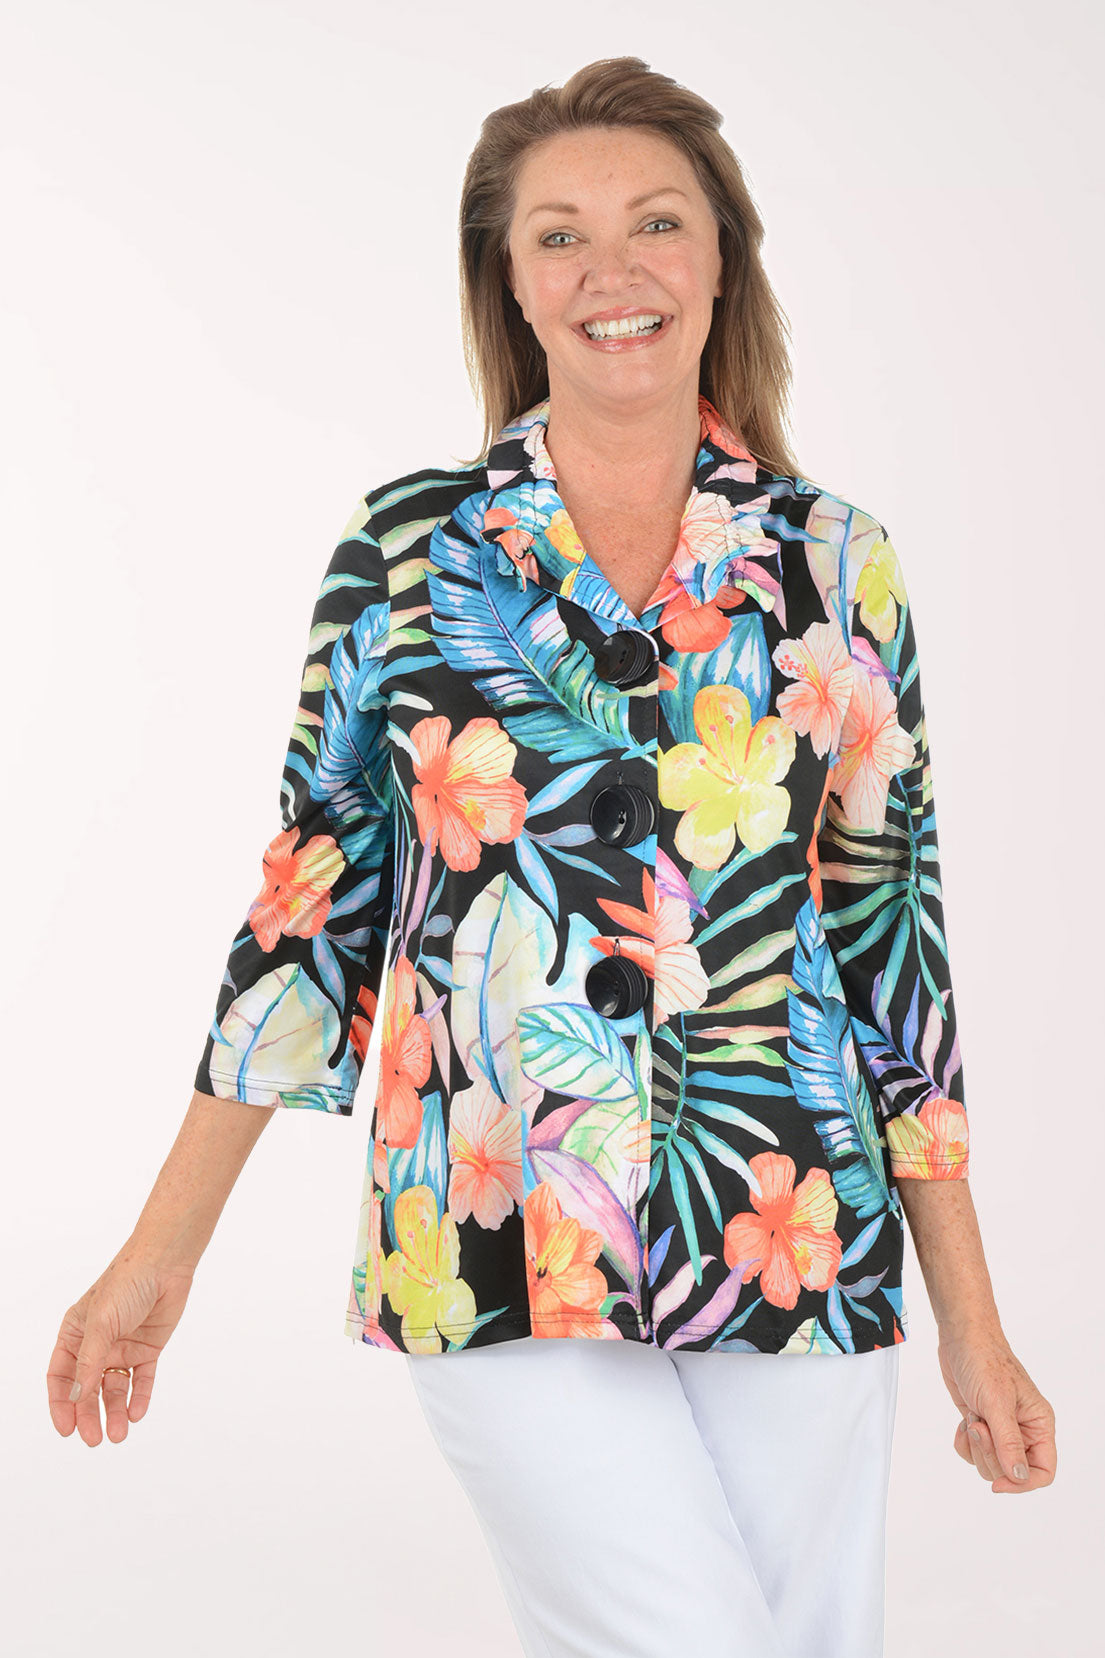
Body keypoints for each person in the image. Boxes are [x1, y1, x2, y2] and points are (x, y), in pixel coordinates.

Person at [47, 55, 1056, 1658]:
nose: (613, 273)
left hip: (793, 1222)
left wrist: (974, 1331)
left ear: (722, 255)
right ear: (508, 283)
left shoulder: (835, 563)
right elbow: (310, 921)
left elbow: (893, 955)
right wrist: (155, 1256)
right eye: (559, 237)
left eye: (656, 224)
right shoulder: (404, 549)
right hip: (497, 1219)